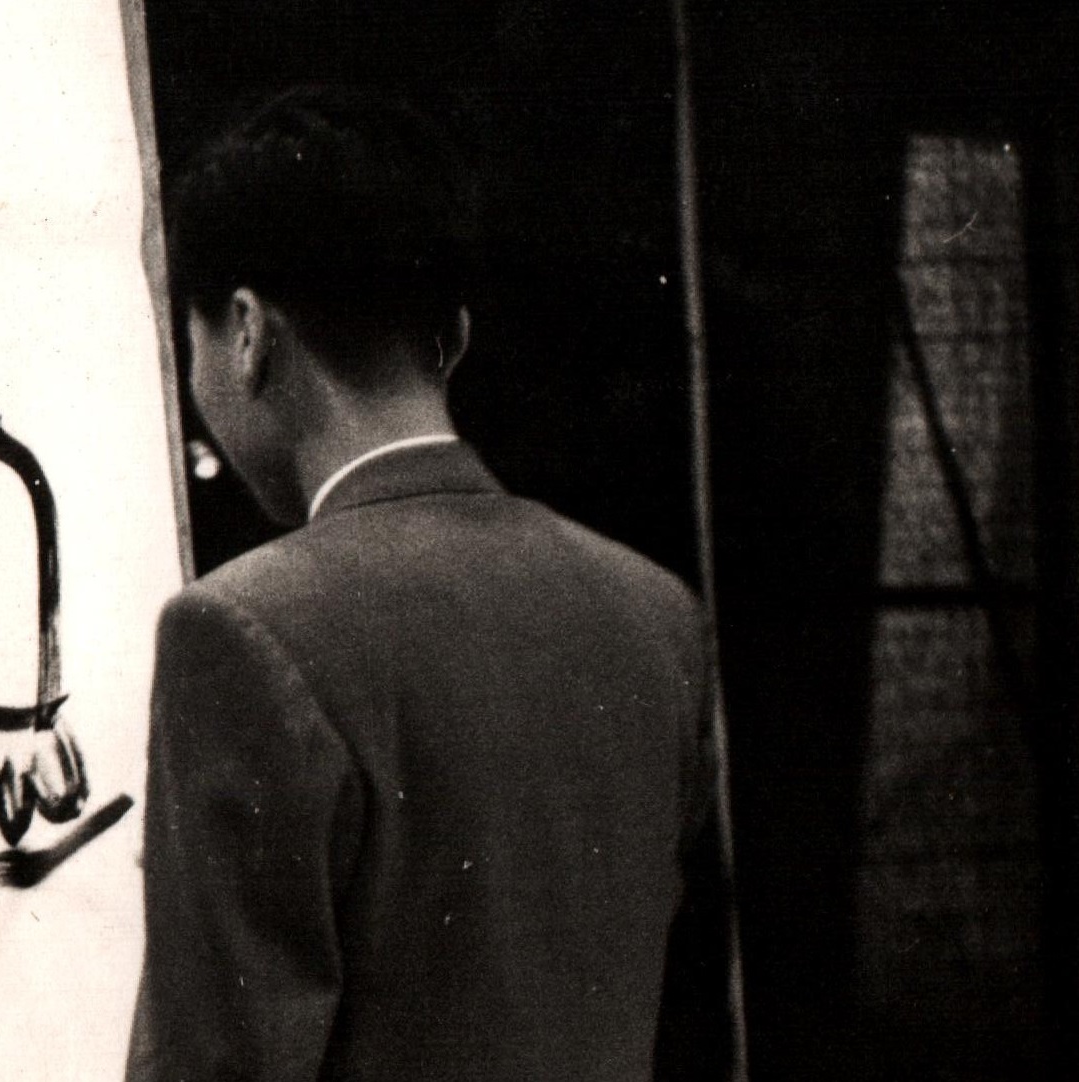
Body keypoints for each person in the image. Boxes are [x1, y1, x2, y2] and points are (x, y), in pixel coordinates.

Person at [126, 87, 718, 1081]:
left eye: (191, 344)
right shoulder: (655, 612)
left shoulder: (238, 628)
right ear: (456, 333)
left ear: (247, 333)